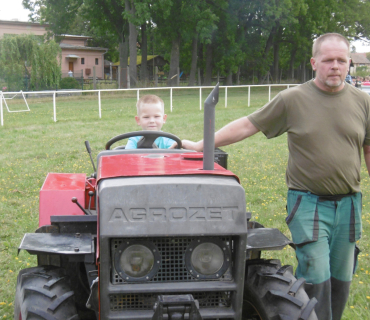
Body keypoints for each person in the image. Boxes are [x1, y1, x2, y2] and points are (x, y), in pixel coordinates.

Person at [182, 33, 370, 320]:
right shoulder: (292, 100)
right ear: (314, 62)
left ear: (348, 64)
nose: (335, 66)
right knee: (316, 272)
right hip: (308, 202)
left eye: (341, 60)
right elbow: (248, 125)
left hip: (349, 204)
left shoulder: (362, 101)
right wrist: (201, 144)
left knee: (342, 277)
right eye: (328, 60)